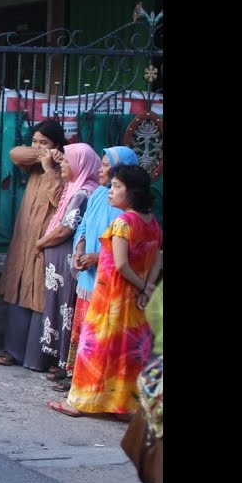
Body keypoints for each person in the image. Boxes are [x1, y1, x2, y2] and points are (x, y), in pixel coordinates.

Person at [47, 164, 161, 418]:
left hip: (111, 295)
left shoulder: (123, 222)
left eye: (117, 187)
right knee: (128, 351)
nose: (110, 191)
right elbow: (158, 258)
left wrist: (143, 285)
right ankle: (125, 405)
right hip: (135, 300)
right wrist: (147, 287)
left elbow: (120, 264)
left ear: (132, 193)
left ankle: (78, 402)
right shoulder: (151, 222)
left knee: (95, 347)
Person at [62, 146, 141, 392]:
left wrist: (97, 257)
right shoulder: (99, 194)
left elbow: (128, 248)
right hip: (88, 274)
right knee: (84, 329)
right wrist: (80, 249)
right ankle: (76, 375)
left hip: (108, 279)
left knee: (101, 335)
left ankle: (93, 385)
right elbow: (84, 225)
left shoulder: (127, 207)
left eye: (106, 165)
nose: (101, 169)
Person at [0, 119, 67, 370]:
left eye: (44, 142)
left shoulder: (63, 170)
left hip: (45, 243)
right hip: (23, 240)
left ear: (58, 145)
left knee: (39, 295)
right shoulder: (33, 164)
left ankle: (37, 358)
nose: (37, 146)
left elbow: (60, 202)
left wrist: (51, 167)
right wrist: (43, 154)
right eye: (35, 141)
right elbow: (15, 153)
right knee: (19, 288)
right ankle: (12, 351)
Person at [36, 143, 101, 379]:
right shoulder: (73, 188)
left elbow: (67, 228)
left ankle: (66, 363)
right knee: (59, 310)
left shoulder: (84, 192)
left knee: (67, 310)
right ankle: (60, 360)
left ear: (79, 163)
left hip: (67, 262)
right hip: (59, 264)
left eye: (66, 161)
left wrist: (40, 243)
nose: (62, 164)